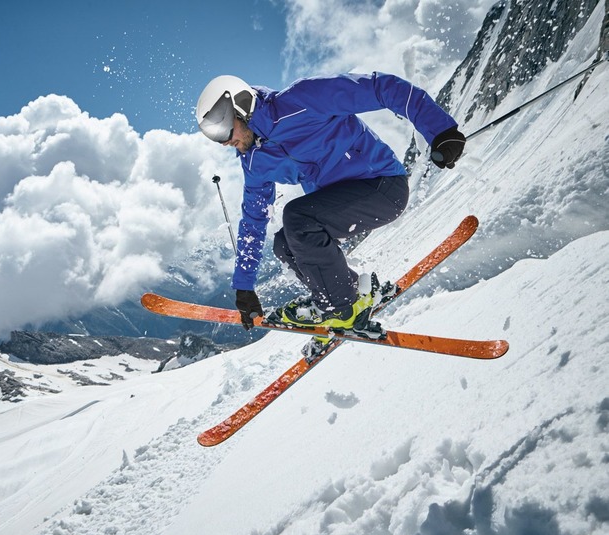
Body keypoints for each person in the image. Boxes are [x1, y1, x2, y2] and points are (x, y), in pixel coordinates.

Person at [195, 72, 465, 338]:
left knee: (297, 218)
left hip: (383, 185)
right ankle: (349, 295)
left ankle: (342, 309)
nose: (224, 141)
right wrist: (244, 287)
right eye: (213, 135)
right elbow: (253, 220)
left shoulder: (302, 99)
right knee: (285, 243)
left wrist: (440, 129)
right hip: (342, 202)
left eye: (221, 127)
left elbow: (380, 87)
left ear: (242, 106)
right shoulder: (255, 161)